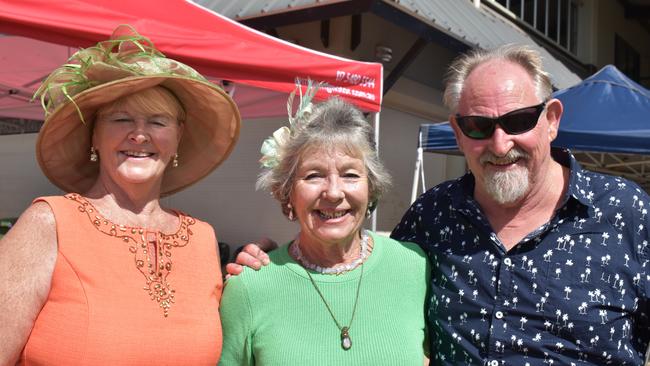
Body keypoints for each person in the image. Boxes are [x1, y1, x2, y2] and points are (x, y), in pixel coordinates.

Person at [230, 45, 650, 365]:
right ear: (458, 132)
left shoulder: (627, 214)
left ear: (552, 119)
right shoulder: (430, 221)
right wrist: (271, 263)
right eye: (479, 126)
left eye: (519, 121)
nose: (500, 144)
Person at [0, 25, 240, 365]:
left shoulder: (202, 238)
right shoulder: (49, 223)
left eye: (158, 122)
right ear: (94, 136)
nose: (139, 135)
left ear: (178, 137)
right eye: (121, 119)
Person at [219, 94, 430, 365]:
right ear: (287, 194)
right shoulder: (250, 287)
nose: (333, 192)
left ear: (371, 188)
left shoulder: (415, 266)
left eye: (350, 175)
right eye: (314, 175)